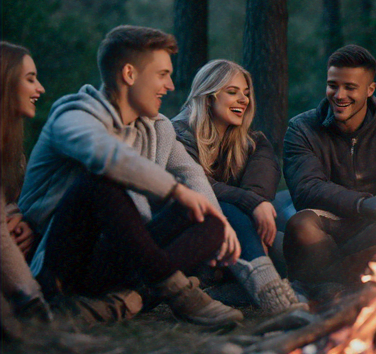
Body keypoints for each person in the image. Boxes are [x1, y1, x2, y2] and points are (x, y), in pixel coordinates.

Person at [18, 25, 244, 328]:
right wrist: (175, 192)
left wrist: (221, 221)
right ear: (129, 74)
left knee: (210, 222)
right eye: (162, 74)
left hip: (121, 252)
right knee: (99, 182)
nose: (170, 85)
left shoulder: (157, 127)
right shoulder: (72, 117)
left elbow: (190, 172)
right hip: (59, 262)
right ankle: (178, 294)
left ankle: (127, 297)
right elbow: (108, 156)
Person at [282, 44, 376, 295]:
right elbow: (308, 188)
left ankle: (326, 285)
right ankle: (336, 286)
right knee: (302, 225)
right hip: (330, 224)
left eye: (350, 87)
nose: (339, 95)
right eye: (333, 85)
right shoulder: (302, 129)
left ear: (370, 90)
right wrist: (371, 204)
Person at [173, 59, 306, 315]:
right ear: (208, 97)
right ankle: (265, 291)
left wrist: (255, 207)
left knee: (281, 249)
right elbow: (200, 189)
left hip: (238, 235)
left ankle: (214, 291)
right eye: (232, 92)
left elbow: (260, 185)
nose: (244, 100)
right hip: (189, 230)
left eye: (246, 93)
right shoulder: (177, 135)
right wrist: (251, 204)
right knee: (224, 206)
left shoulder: (253, 143)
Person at [0, 41, 51, 325]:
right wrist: (32, 299)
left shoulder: (13, 154)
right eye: (30, 79)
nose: (40, 89)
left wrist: (19, 220)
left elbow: (12, 203)